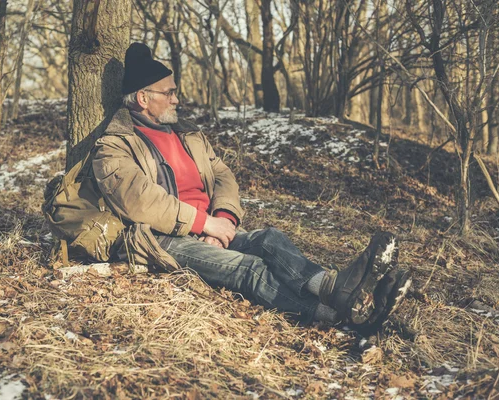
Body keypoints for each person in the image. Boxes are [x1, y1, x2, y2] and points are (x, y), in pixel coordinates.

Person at [91, 42, 411, 332]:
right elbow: (142, 202)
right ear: (144, 98)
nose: (177, 98)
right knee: (251, 269)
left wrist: (225, 221)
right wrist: (205, 224)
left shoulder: (186, 134)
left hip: (212, 226)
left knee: (270, 240)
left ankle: (336, 288)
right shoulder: (115, 145)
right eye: (169, 92)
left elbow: (223, 175)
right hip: (164, 239)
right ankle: (337, 315)